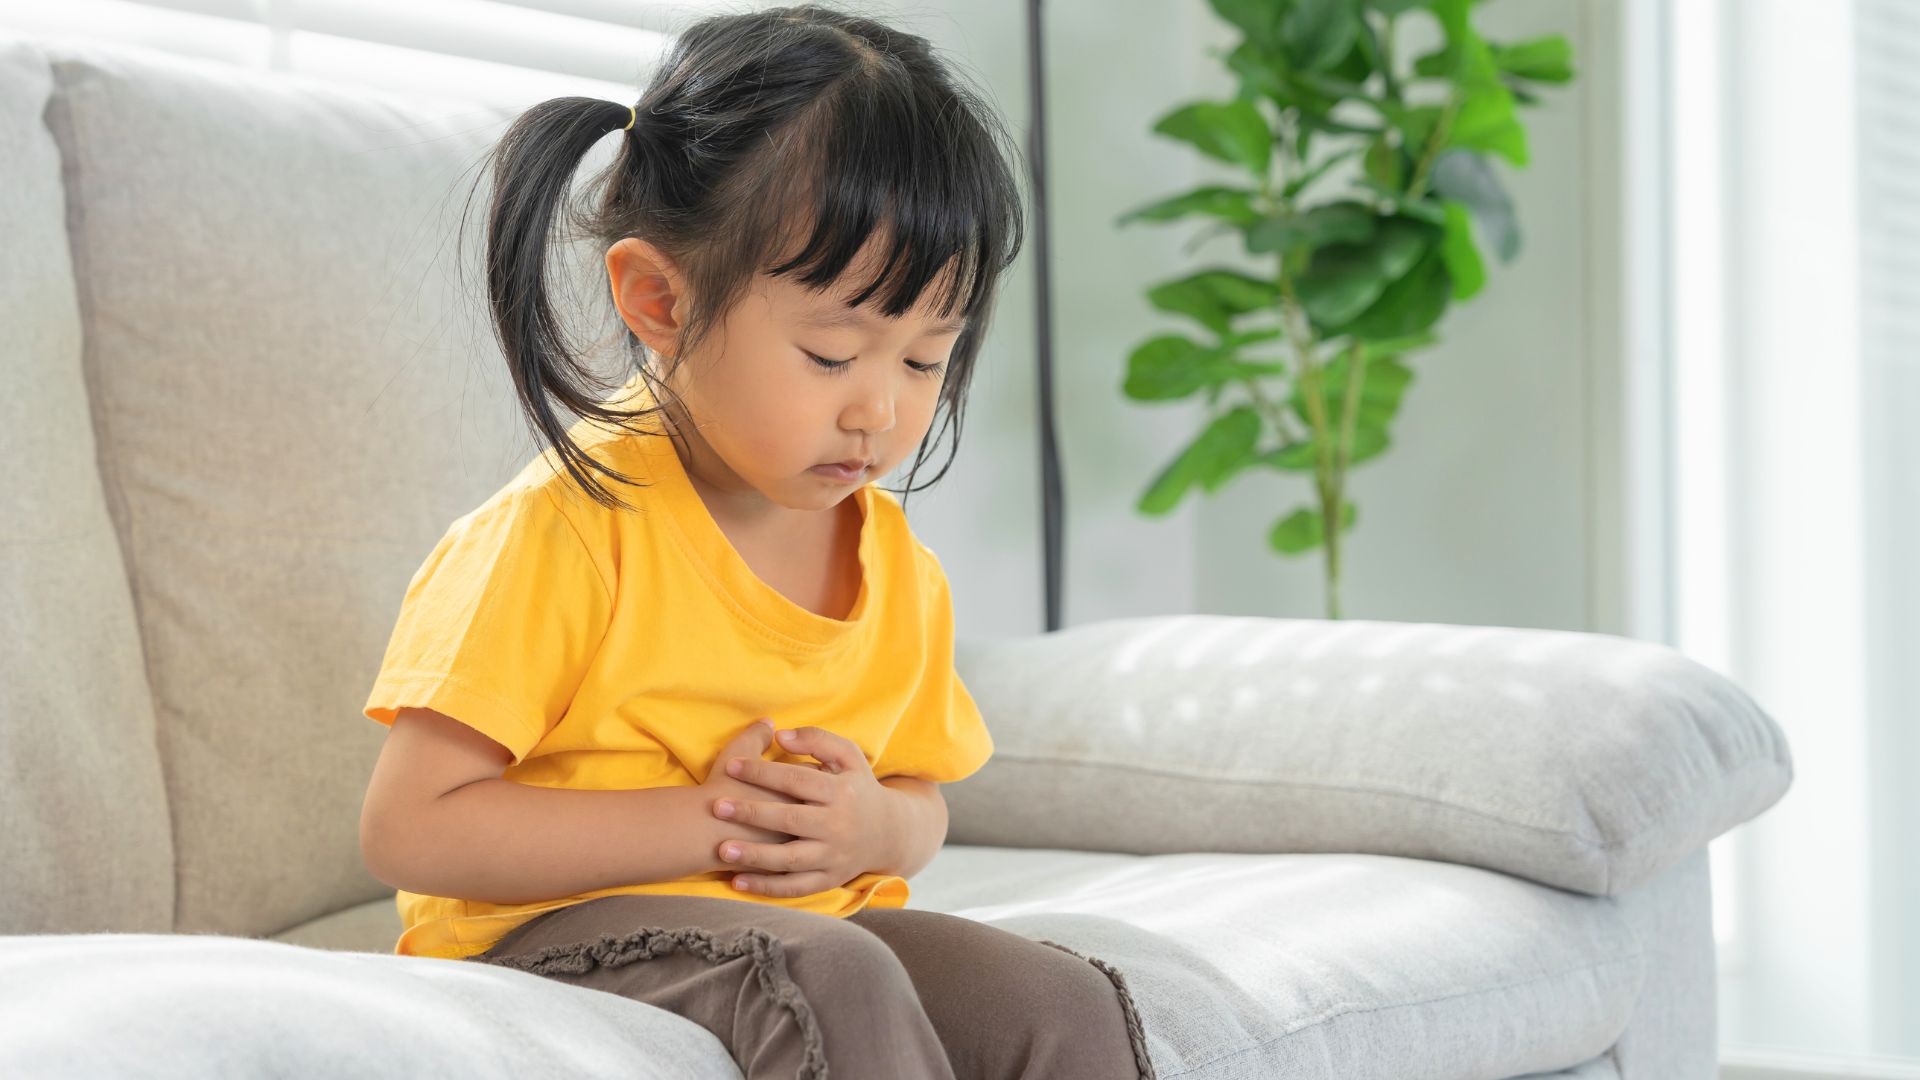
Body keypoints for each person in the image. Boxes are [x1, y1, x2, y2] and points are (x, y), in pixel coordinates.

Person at [355, 5, 1152, 1077]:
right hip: (545, 943)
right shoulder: (565, 531)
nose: (880, 411)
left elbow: (922, 802)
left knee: (1056, 1003)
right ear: (658, 300)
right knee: (833, 976)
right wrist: (719, 822)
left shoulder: (895, 567)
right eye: (831, 355)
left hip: (800, 937)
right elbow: (413, 830)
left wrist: (869, 830)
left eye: (925, 361)